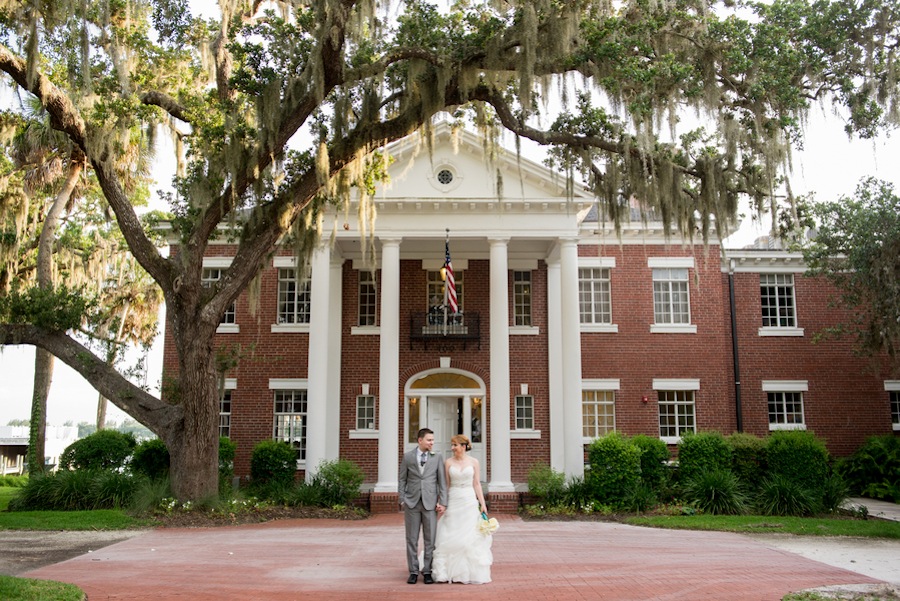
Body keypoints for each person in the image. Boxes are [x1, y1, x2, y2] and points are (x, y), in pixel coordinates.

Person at [431, 434, 493, 584]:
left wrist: (482, 504)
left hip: (469, 500)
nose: (452, 448)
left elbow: (477, 484)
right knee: (449, 531)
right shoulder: (448, 462)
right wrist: (442, 502)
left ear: (464, 446)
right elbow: (446, 485)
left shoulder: (474, 462)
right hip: (453, 498)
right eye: (452, 445)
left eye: (455, 445)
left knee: (469, 534)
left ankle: (466, 572)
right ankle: (444, 571)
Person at [399, 428, 448, 584]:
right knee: (411, 539)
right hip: (412, 503)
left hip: (430, 503)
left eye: (433, 440)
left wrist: (443, 502)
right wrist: (402, 499)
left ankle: (427, 571)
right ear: (420, 440)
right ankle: (413, 571)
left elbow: (442, 482)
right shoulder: (408, 457)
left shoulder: (437, 458)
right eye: (429, 440)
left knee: (430, 539)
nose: (432, 443)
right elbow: (402, 479)